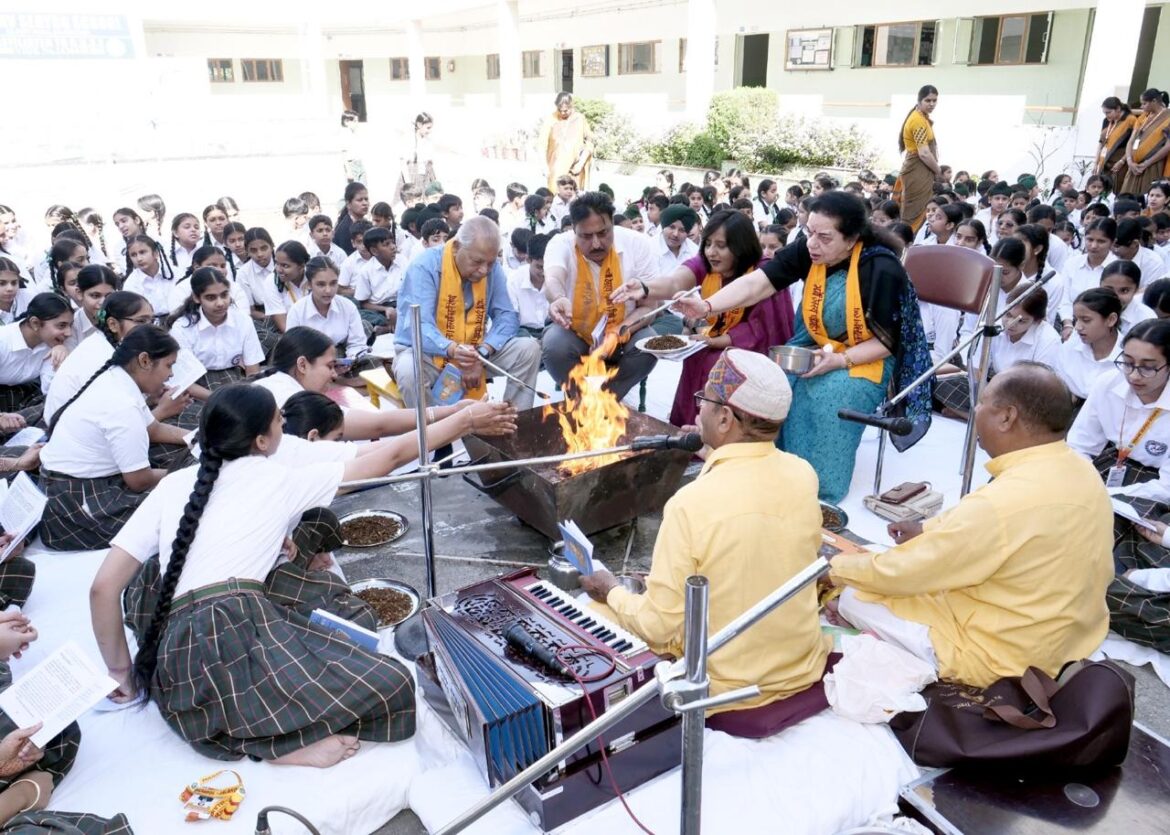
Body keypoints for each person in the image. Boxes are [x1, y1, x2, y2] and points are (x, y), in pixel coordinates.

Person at [89, 385, 436, 765]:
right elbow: (391, 456)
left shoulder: (173, 483)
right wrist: (464, 419)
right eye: (278, 421)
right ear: (261, 440)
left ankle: (260, 725)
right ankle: (279, 744)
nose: (283, 426)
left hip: (177, 665)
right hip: (234, 628)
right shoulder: (274, 477)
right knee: (393, 685)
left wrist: (120, 673)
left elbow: (103, 588)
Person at [580, 350, 831, 736]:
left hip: (730, 687)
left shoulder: (690, 503)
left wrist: (611, 589)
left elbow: (657, 627)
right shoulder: (803, 473)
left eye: (704, 401)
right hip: (801, 664)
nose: (698, 411)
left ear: (725, 419)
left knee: (592, 612)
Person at [831, 364, 1111, 687]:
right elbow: (979, 529)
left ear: (1006, 418)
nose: (975, 412)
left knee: (855, 595)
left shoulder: (1002, 502)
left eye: (981, 404)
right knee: (881, 565)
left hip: (1005, 661)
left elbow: (911, 570)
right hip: (1070, 641)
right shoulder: (1082, 471)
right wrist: (925, 531)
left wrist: (834, 568)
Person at [675, 191, 932, 503]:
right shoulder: (809, 251)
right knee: (764, 382)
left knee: (824, 393)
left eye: (824, 237)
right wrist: (706, 306)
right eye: (809, 232)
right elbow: (758, 284)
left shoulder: (881, 268)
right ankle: (754, 468)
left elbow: (889, 342)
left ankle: (814, 488)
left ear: (851, 240)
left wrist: (840, 360)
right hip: (815, 344)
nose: (812, 243)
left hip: (867, 356)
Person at [617, 210, 794, 427]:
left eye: (721, 246)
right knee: (695, 356)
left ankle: (718, 431)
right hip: (714, 338)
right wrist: (645, 288)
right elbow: (675, 282)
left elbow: (762, 329)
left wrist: (712, 341)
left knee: (715, 361)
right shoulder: (707, 264)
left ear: (741, 246)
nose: (711, 252)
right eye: (708, 244)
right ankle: (689, 429)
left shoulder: (764, 271)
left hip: (753, 349)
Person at [38, 326, 190, 551]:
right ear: (145, 361)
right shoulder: (121, 403)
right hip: (72, 501)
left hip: (71, 483)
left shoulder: (117, 379)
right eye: (169, 365)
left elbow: (152, 428)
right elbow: (139, 480)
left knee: (183, 456)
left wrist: (197, 437)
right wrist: (186, 474)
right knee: (182, 505)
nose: (171, 375)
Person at [392, 216, 540, 409]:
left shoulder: (491, 269)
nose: (483, 270)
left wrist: (482, 352)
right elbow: (418, 327)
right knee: (409, 371)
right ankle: (437, 426)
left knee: (528, 349)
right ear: (456, 248)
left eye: (490, 263)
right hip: (427, 353)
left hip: (475, 350)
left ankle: (512, 420)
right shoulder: (424, 266)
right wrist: (454, 350)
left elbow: (507, 316)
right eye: (477, 262)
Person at [541, 192, 659, 399]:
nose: (596, 244)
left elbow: (649, 307)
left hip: (625, 331)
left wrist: (618, 333)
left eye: (603, 233)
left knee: (649, 345)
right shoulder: (560, 244)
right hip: (575, 333)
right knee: (554, 345)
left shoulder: (638, 244)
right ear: (574, 230)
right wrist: (558, 298)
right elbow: (553, 277)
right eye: (586, 236)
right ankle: (581, 398)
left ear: (613, 224)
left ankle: (606, 400)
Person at [167, 267, 265, 398]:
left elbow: (253, 370)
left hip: (236, 378)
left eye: (224, 295)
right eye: (211, 298)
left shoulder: (242, 320)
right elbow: (185, 381)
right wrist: (218, 400)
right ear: (196, 298)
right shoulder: (182, 327)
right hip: (198, 387)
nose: (220, 303)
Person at [0, 293, 72, 423]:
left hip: (23, 398)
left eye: (70, 325)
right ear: (35, 323)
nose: (68, 333)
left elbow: (50, 391)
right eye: (61, 326)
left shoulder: (52, 344)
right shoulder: (3, 340)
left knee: (59, 407)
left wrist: (60, 360)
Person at [286, 258, 367, 359]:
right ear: (309, 284)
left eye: (333, 283)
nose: (328, 290)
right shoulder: (297, 311)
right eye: (321, 284)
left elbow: (357, 344)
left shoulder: (348, 307)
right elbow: (293, 350)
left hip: (342, 356)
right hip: (309, 360)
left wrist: (350, 360)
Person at [1057, 287, 1123, 403]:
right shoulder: (1072, 344)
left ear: (1111, 320)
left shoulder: (1127, 357)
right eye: (1075, 319)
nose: (1078, 327)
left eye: (1086, 320)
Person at [893, 85, 940, 233]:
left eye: (934, 100)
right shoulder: (917, 120)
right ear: (919, 100)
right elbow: (924, 153)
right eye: (928, 100)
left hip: (919, 170)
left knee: (921, 209)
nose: (932, 104)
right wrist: (938, 171)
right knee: (913, 212)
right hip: (916, 171)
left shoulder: (922, 117)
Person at [537, 93, 593, 191]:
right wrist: (544, 166)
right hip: (556, 169)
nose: (562, 113)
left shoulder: (580, 119)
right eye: (560, 110)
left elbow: (589, 142)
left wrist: (581, 163)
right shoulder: (551, 119)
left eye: (566, 110)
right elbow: (541, 144)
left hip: (575, 169)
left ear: (572, 106)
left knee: (575, 197)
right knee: (555, 195)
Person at [1121, 88, 1170, 197]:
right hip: (1133, 166)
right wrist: (1129, 161)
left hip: (1152, 165)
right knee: (1126, 197)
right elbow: (1131, 140)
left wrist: (1146, 163)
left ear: (1154, 101)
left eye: (1144, 103)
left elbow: (1168, 146)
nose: (1142, 107)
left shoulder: (1168, 117)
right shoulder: (1144, 117)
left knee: (1146, 197)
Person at [507, 233, 551, 339]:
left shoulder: (558, 276)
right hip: (522, 333)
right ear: (528, 260)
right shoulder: (514, 280)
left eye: (548, 267)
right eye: (540, 267)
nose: (544, 272)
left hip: (551, 331)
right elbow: (511, 320)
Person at [395, 113, 437, 208]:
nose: (429, 131)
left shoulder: (428, 141)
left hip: (425, 178)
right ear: (419, 125)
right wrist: (408, 184)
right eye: (428, 128)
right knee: (410, 202)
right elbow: (403, 163)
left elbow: (430, 165)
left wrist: (433, 181)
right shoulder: (409, 139)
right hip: (411, 176)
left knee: (424, 204)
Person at [1097, 96, 1137, 177]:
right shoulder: (1106, 121)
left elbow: (1133, 144)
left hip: (1119, 161)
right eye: (1105, 113)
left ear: (1118, 108)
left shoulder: (1131, 120)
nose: (1106, 115)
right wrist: (1096, 162)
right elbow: (1101, 143)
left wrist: (1122, 161)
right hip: (1104, 161)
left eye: (1108, 112)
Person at [654, 205, 700, 274]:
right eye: (672, 227)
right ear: (663, 227)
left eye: (682, 230)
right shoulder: (650, 249)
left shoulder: (694, 252)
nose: (675, 234)